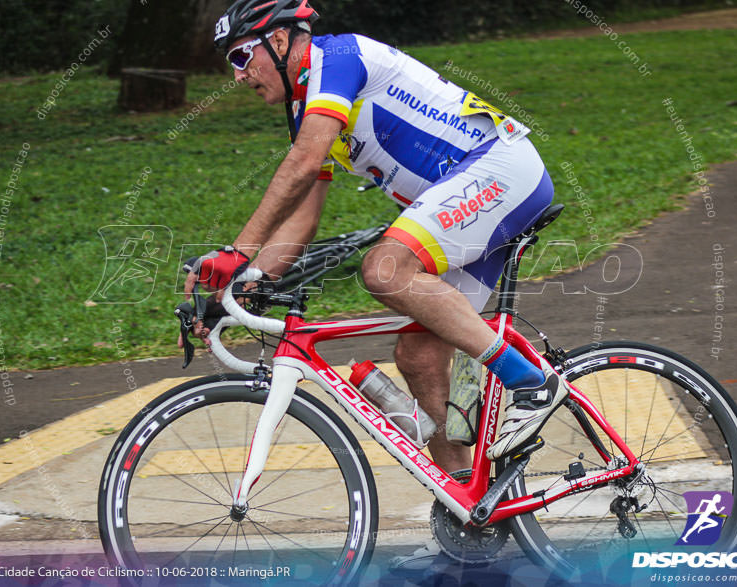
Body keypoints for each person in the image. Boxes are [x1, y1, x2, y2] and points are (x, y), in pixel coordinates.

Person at [183, 0, 570, 568]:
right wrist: (239, 285)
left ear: (285, 40)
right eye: (231, 63)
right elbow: (301, 218)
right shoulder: (306, 108)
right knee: (417, 353)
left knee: (385, 269)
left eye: (243, 56)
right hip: (467, 197)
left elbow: (302, 162)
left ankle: (531, 381)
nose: (238, 75)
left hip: (496, 168)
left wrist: (232, 253)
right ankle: (469, 515)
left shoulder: (337, 58)